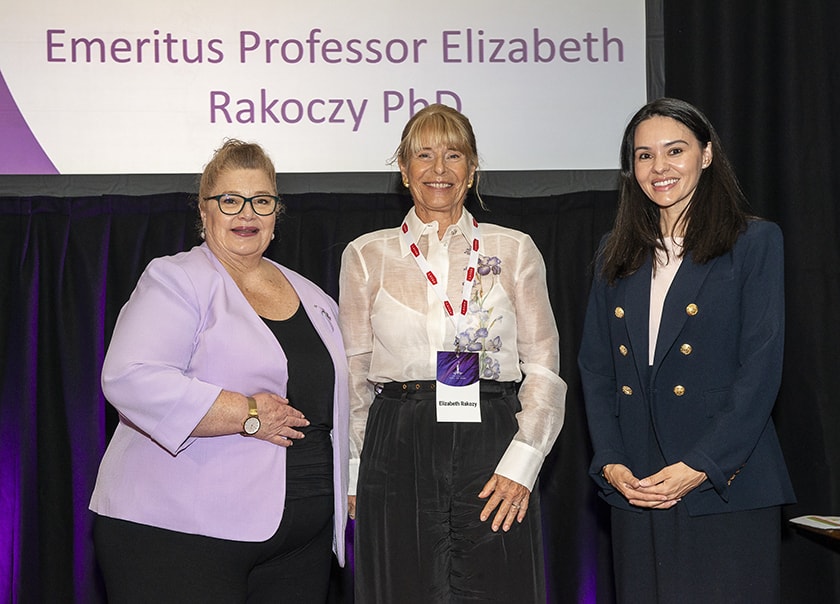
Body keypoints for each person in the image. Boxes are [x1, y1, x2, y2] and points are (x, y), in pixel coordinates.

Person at [89, 139, 349, 603]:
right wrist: (247, 412)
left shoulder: (315, 297)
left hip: (300, 547)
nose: (246, 213)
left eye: (262, 201)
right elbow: (130, 376)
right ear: (204, 212)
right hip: (180, 535)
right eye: (230, 200)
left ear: (276, 213)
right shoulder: (176, 278)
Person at [339, 103, 567, 603]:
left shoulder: (515, 249)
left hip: (493, 438)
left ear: (472, 170)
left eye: (454, 155)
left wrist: (524, 461)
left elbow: (545, 368)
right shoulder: (365, 255)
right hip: (397, 441)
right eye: (424, 155)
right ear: (403, 170)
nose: (438, 169)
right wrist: (355, 471)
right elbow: (354, 374)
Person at [578, 98, 796, 603]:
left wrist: (702, 464)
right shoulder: (616, 252)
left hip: (723, 485)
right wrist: (611, 463)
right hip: (638, 488)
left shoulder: (755, 242)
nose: (659, 167)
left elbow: (760, 369)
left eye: (675, 150)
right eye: (643, 155)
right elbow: (596, 370)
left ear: (706, 154)